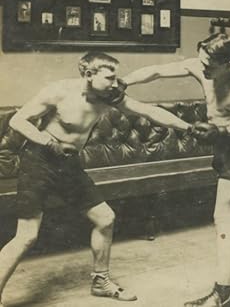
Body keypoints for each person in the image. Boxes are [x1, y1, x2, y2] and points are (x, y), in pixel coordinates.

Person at [0, 52, 202, 307]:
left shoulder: (110, 97)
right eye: (109, 78)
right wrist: (50, 143)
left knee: (105, 218)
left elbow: (148, 111)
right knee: (27, 236)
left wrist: (190, 128)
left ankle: (100, 281)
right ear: (88, 75)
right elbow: (18, 120)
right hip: (39, 161)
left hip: (68, 164)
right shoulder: (59, 91)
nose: (115, 83)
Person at [123, 33, 230, 307]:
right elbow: (155, 71)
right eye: (201, 62)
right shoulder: (201, 65)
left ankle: (223, 294)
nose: (202, 70)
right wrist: (124, 81)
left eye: (209, 66)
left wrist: (224, 129)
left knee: (223, 217)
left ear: (227, 63)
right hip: (221, 148)